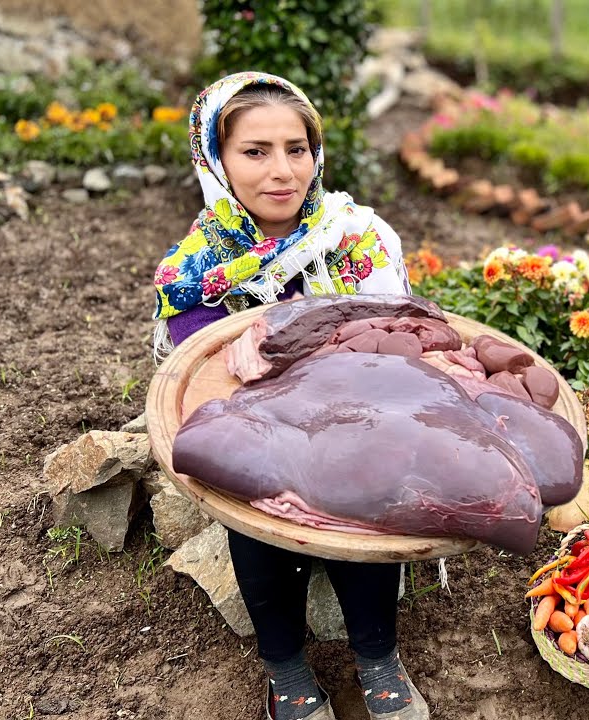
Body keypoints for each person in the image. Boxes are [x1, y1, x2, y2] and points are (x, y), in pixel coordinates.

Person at [150, 72, 428, 720]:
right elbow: (206, 373)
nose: (283, 171)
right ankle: (285, 668)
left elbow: (395, 344)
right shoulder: (193, 268)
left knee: (369, 483)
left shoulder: (357, 237)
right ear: (215, 161)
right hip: (256, 429)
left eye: (296, 148)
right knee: (255, 514)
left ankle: (378, 656)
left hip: (356, 418)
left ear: (316, 152)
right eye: (255, 151)